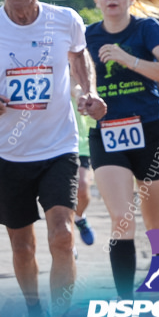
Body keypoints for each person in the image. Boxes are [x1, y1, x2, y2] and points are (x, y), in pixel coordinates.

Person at [0, 0, 106, 317]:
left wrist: (87, 90)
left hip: (58, 146)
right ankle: (35, 310)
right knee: (23, 246)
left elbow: (78, 55)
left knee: (62, 235)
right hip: (8, 153)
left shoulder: (65, 19)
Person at [84, 0, 159, 300]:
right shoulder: (87, 36)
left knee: (157, 223)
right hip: (108, 132)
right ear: (97, 0)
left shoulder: (146, 29)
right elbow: (74, 80)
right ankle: (125, 303)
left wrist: (129, 59)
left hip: (150, 132)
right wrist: (84, 97)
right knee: (121, 217)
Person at [72, 86, 97, 247]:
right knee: (61, 198)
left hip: (80, 145)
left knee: (83, 187)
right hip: (56, 146)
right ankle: (67, 242)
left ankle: (79, 217)